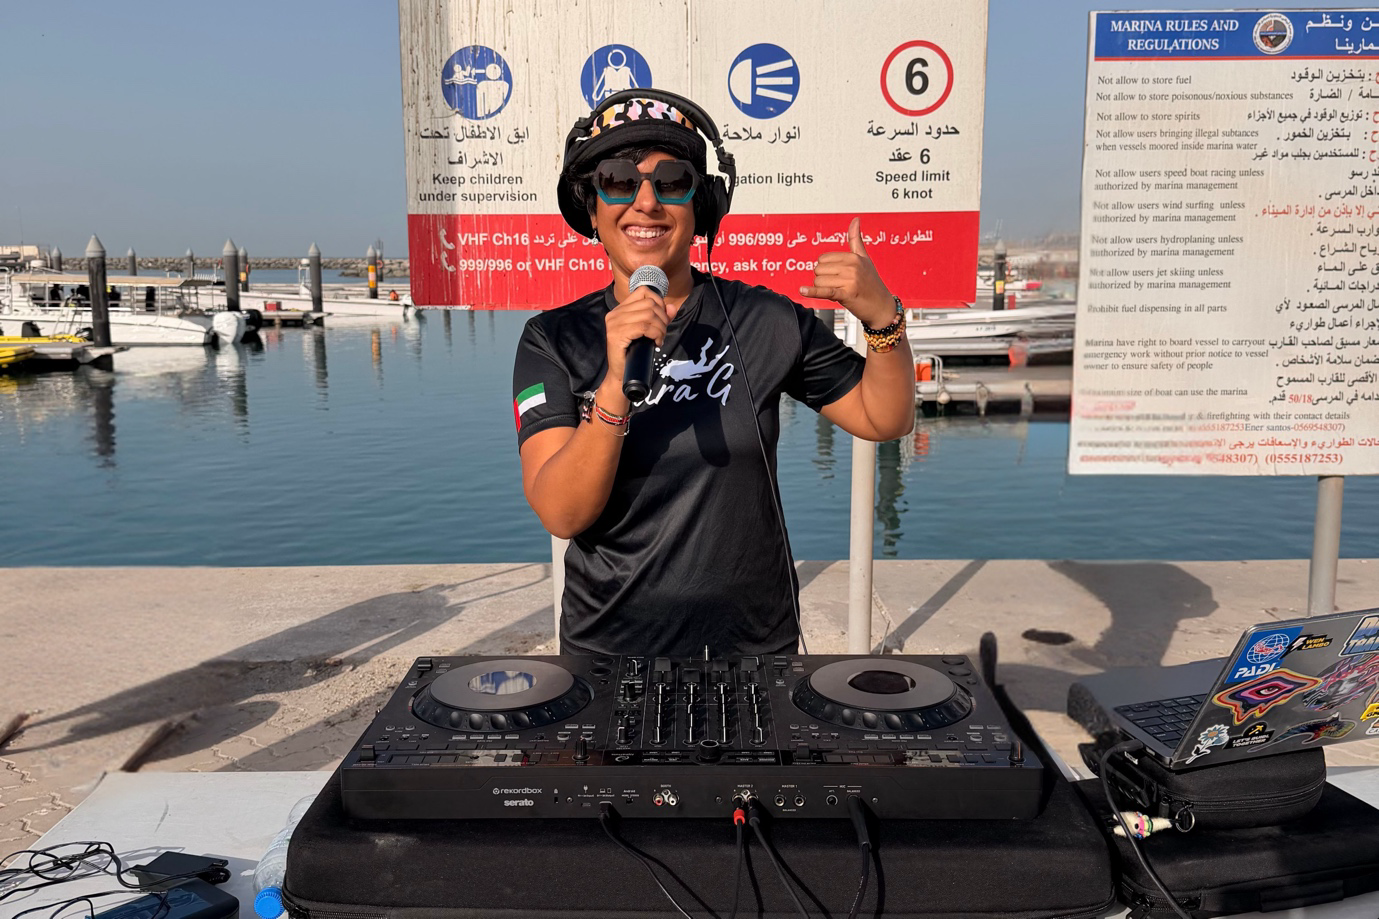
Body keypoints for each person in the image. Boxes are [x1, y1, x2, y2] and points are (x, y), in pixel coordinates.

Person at [512, 90, 914, 658]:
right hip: (609, 655)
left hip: (756, 651)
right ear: (592, 209)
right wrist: (613, 390)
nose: (646, 202)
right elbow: (561, 511)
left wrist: (883, 320)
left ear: (702, 205)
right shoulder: (553, 339)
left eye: (672, 181)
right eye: (618, 181)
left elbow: (884, 418)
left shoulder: (765, 319)